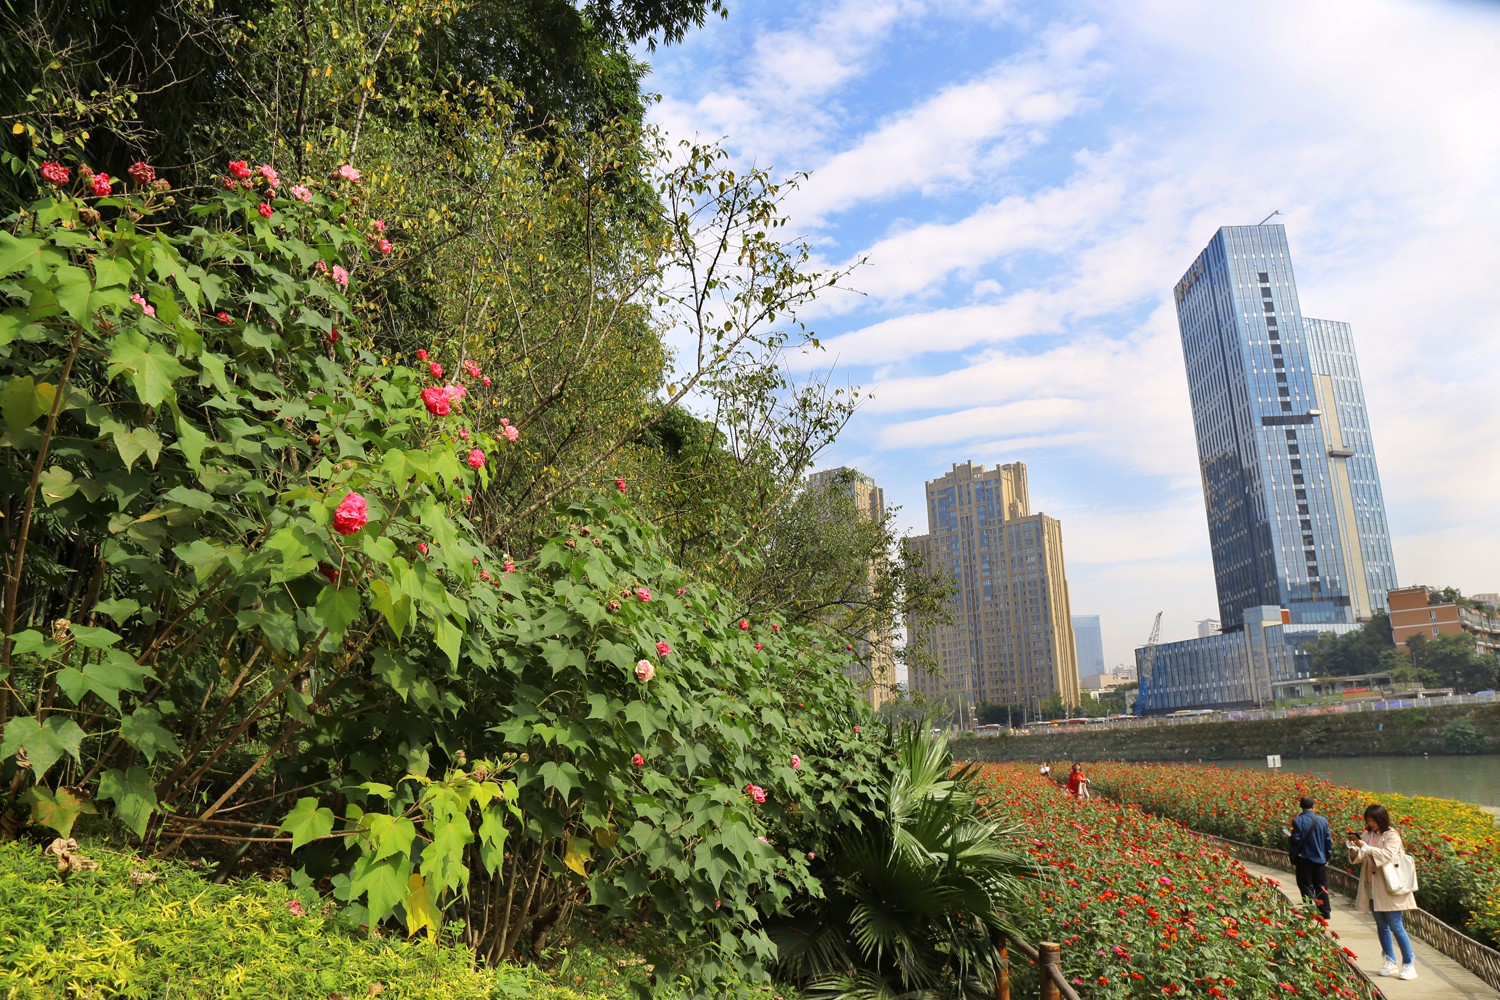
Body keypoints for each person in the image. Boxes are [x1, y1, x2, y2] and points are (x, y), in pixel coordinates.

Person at [1347, 803, 1418, 981]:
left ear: (1381, 819)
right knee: (1381, 926)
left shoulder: (1391, 835)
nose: (1370, 824)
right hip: (1372, 886)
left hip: (1389, 887)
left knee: (1396, 925)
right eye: (1368, 821)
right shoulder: (1368, 835)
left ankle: (1409, 963)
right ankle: (1390, 960)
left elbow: (1387, 855)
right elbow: (1361, 856)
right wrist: (1354, 848)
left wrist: (1365, 847)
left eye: (1373, 821)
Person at [1286, 795, 1333, 918]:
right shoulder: (1323, 820)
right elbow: (1328, 840)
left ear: (1300, 806)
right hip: (1320, 859)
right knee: (1321, 885)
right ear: (1314, 806)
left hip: (1304, 859)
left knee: (1305, 884)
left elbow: (1296, 840)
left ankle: (1310, 909)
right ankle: (1325, 911)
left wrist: (1290, 838)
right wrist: (1327, 856)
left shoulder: (1298, 821)